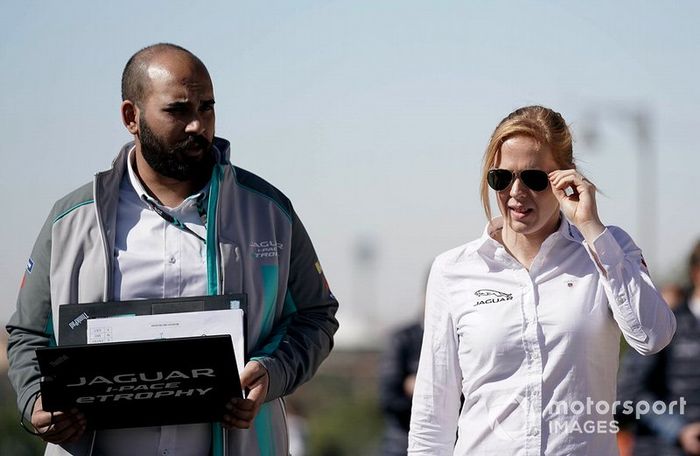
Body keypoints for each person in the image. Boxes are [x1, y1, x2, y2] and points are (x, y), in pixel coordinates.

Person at [6, 43, 339, 456]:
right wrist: (37, 401)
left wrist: (272, 372)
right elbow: (28, 333)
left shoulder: (269, 212)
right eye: (178, 110)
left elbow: (317, 316)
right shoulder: (72, 219)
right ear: (131, 116)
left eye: (207, 108)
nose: (198, 125)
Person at [407, 105, 676, 455]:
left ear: (567, 179)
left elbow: (652, 336)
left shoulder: (610, 248)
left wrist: (592, 228)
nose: (516, 192)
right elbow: (433, 415)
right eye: (501, 178)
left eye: (534, 179)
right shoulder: (452, 270)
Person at [617, 240, 700, 456]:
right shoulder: (664, 323)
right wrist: (679, 430)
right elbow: (630, 393)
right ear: (696, 272)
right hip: (662, 449)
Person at [378, 320, 423, 456]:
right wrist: (425, 392)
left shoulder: (461, 337)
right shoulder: (403, 339)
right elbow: (389, 399)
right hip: (402, 444)